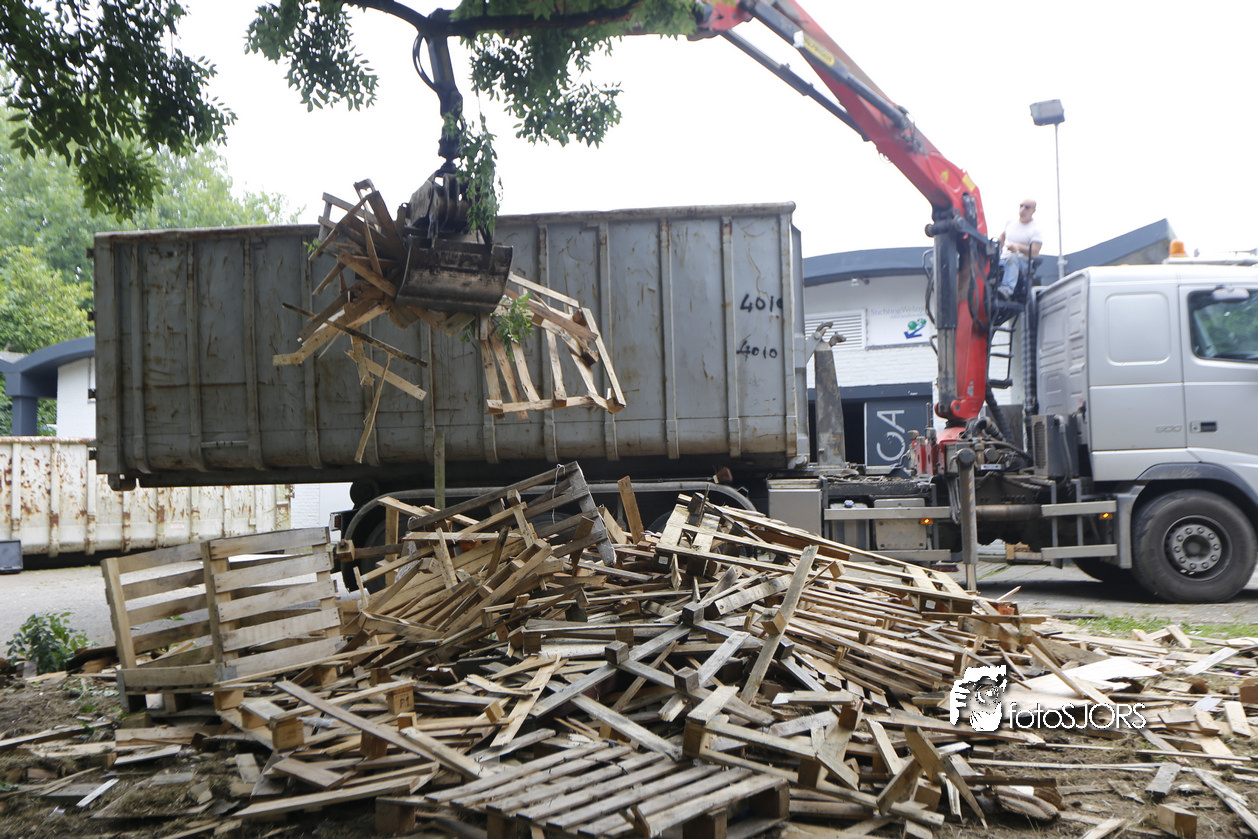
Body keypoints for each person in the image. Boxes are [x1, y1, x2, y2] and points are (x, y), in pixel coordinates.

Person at [996, 199, 1043, 300]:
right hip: (1005, 258)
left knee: (1013, 258)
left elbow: (1035, 252)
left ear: (1033, 210)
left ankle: (1006, 290)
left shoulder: (1035, 229)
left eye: (1027, 207)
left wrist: (1018, 247)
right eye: (1021, 206)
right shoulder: (1010, 223)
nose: (1023, 209)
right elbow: (1001, 239)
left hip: (1023, 262)